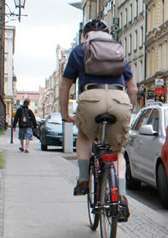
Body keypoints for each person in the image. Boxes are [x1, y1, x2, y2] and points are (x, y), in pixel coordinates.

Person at [59, 19, 137, 221]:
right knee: (117, 150)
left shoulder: (79, 50)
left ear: (86, 35)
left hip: (91, 98)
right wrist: (129, 109)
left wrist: (65, 114)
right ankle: (120, 196)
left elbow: (64, 86)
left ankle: (84, 179)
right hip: (120, 99)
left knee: (85, 134)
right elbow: (133, 88)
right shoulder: (118, 51)